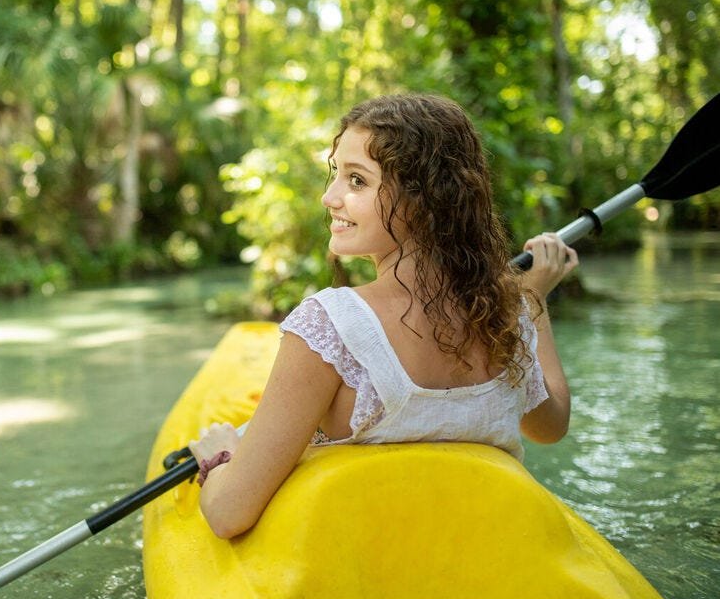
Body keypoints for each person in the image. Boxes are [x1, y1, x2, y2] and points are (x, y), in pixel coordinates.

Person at [189, 93, 578, 539]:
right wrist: (534, 301)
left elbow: (227, 515)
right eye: (336, 174)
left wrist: (219, 459)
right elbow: (550, 425)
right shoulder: (506, 314)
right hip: (485, 549)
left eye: (357, 181)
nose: (329, 197)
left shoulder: (329, 326)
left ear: (423, 199)